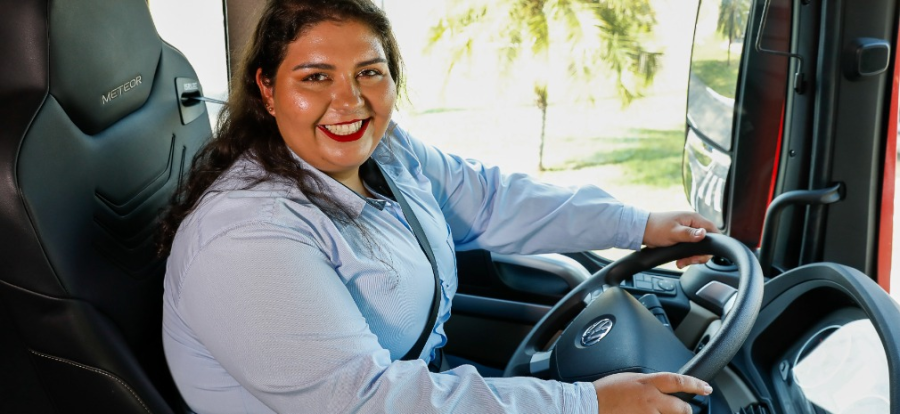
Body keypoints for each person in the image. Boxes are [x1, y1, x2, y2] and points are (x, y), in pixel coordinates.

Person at [159, 0, 718, 412]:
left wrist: (638, 224)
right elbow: (366, 402)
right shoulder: (246, 236)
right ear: (268, 89)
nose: (349, 101)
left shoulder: (387, 151)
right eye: (315, 78)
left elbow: (491, 199)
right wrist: (587, 405)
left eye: (369, 73)